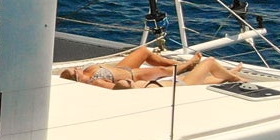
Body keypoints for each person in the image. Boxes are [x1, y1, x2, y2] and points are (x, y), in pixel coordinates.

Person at [60, 46, 248, 90]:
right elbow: (118, 89)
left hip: (154, 82)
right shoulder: (97, 83)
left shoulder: (90, 76)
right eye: (74, 73)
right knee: (209, 65)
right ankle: (233, 77)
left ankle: (227, 75)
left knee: (143, 51)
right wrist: (127, 84)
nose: (76, 69)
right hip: (160, 84)